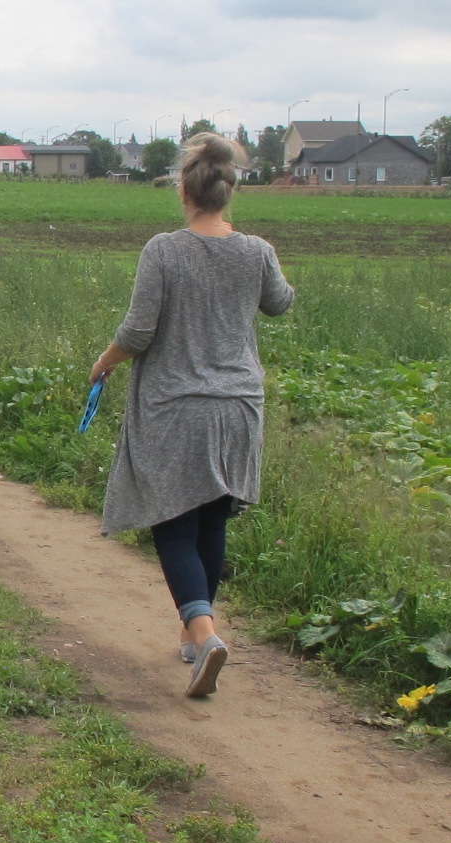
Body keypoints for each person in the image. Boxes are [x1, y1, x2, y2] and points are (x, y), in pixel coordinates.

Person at [87, 133, 296, 699]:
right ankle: (191, 636)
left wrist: (104, 363)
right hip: (240, 407)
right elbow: (280, 302)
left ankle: (204, 635)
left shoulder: (164, 250)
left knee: (173, 521)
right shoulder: (256, 250)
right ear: (229, 192)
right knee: (211, 520)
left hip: (176, 408)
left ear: (184, 190)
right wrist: (256, 260)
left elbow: (138, 331)